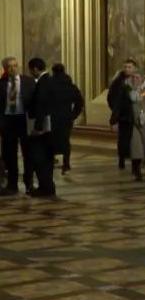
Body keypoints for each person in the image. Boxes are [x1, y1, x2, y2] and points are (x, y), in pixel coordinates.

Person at [109, 70, 145, 181]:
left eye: (137, 77)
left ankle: (137, 165)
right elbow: (118, 105)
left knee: (143, 144)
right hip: (131, 121)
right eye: (133, 77)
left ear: (142, 79)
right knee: (135, 144)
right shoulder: (125, 89)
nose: (135, 79)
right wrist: (114, 120)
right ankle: (137, 169)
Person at [0, 56, 36, 196]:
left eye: (15, 65)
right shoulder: (1, 84)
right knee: (10, 155)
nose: (13, 68)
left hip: (24, 120)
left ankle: (29, 183)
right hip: (8, 121)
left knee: (28, 153)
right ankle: (12, 184)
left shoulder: (28, 81)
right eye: (9, 66)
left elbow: (34, 101)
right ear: (5, 68)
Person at [26, 58, 56, 197]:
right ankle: (48, 187)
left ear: (35, 69)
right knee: (46, 158)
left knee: (39, 158)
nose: (31, 73)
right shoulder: (50, 80)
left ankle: (45, 188)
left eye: (31, 70)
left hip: (42, 127)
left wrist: (37, 127)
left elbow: (41, 105)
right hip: (49, 126)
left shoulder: (43, 82)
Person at [50, 63, 84, 175]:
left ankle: (50, 161)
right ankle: (66, 164)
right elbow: (79, 102)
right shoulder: (70, 86)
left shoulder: (49, 84)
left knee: (50, 140)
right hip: (66, 118)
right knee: (65, 141)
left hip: (52, 117)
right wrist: (73, 115)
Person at [108, 58, 138, 169]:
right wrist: (116, 112)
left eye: (129, 67)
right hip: (124, 116)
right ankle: (122, 159)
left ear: (135, 68)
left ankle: (136, 164)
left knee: (136, 141)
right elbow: (111, 97)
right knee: (123, 140)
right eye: (125, 67)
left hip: (136, 116)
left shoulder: (139, 80)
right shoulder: (118, 82)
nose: (127, 69)